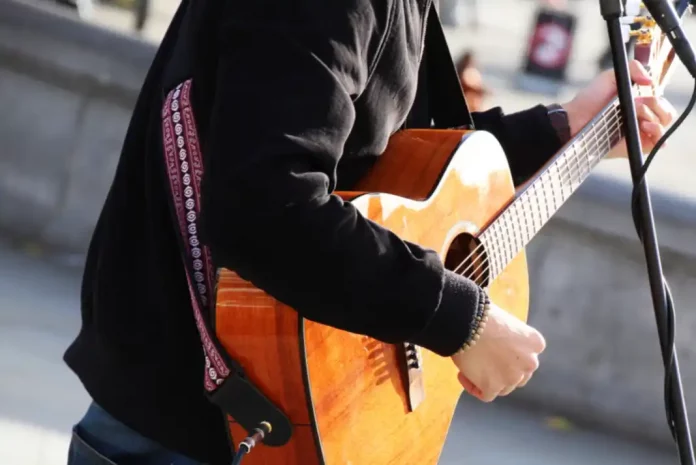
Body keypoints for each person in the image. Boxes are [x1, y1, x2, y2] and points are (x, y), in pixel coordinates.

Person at [63, 1, 676, 464]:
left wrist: (564, 130)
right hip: (192, 430)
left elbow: (393, 174)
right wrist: (459, 318)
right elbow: (266, 207)